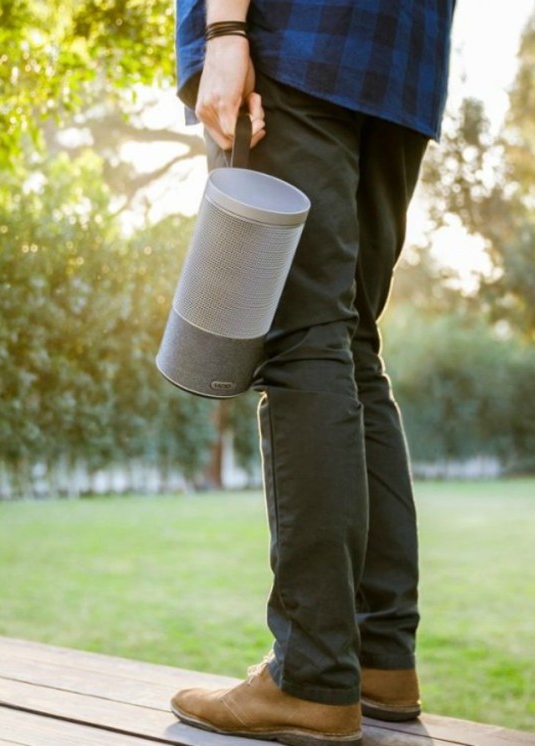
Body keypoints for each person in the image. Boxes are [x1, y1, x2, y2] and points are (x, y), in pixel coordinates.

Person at [169, 1, 456, 744]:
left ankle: (313, 675)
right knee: (352, 344)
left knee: (303, 340)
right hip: (401, 65)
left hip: (296, 42)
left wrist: (227, 31)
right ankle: (377, 659)